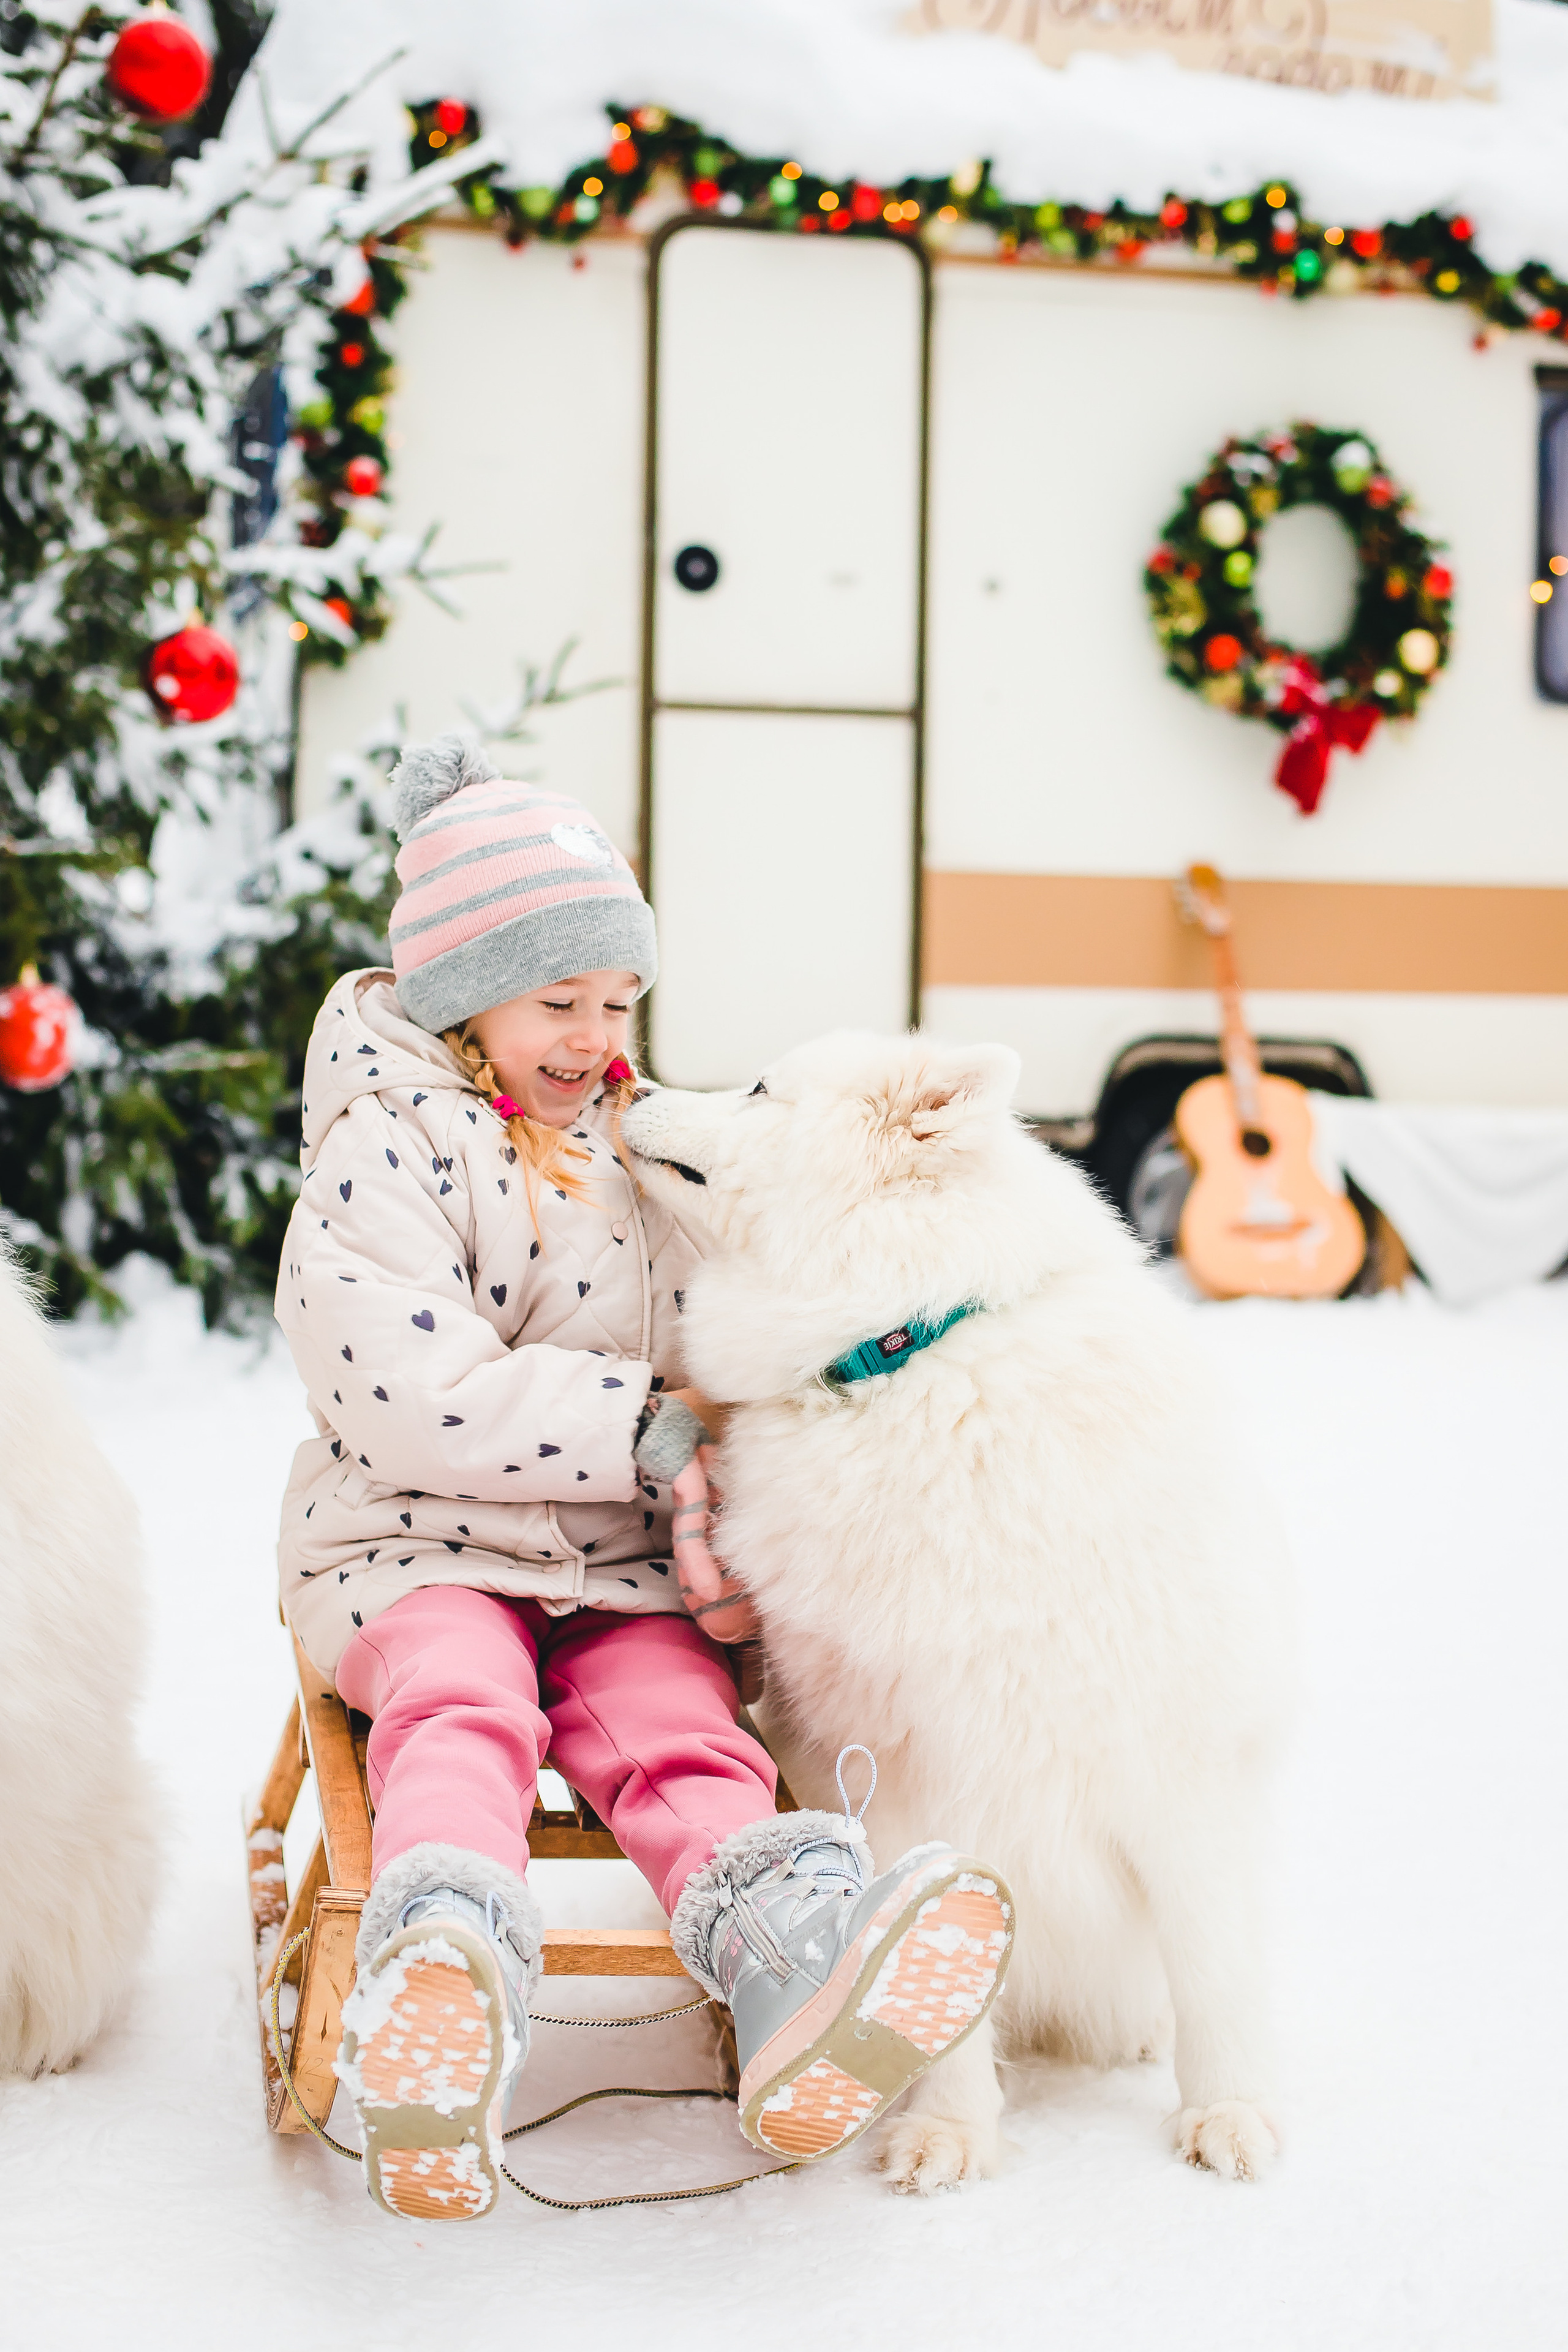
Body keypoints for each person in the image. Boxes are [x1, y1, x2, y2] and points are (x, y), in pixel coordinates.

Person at [274, 737, 1013, 2220]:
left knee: (683, 1730)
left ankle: (795, 1966)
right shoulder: (379, 1151)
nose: (594, 1036)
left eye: (618, 1001)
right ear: (457, 991)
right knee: (463, 1706)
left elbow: (723, 1330)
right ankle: (444, 1970)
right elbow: (408, 1390)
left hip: (615, 1567)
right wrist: (638, 1428)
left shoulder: (631, 1142)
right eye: (558, 1001)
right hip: (413, 1554)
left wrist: (741, 1476)